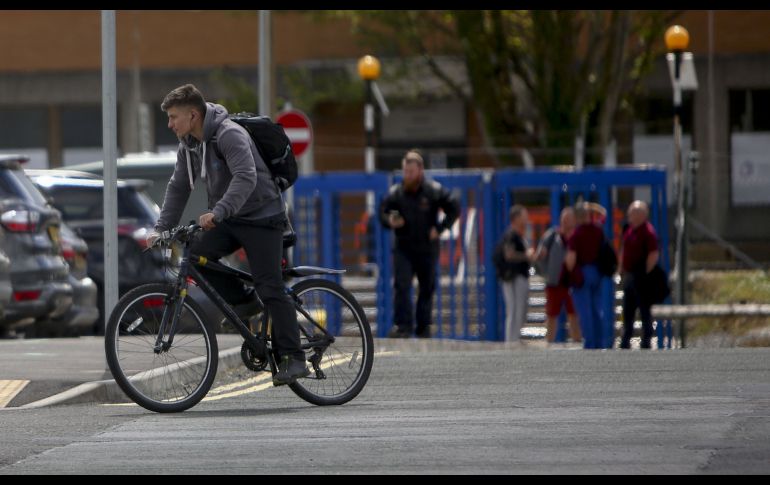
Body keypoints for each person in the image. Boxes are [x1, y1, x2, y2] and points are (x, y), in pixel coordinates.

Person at [146, 84, 309, 386]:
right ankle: (245, 302)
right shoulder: (189, 145)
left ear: (192, 115)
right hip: (232, 217)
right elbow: (179, 187)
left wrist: (218, 211)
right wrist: (160, 228)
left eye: (173, 117)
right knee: (196, 257)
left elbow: (246, 177)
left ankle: (294, 357)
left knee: (269, 285)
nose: (169, 124)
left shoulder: (228, 134)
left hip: (263, 216)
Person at [379, 150, 460, 338]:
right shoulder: (396, 192)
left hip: (427, 248)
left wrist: (440, 228)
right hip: (404, 248)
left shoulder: (433, 190)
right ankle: (403, 326)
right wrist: (390, 220)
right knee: (402, 285)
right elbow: (382, 212)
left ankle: (424, 328)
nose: (407, 175)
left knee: (426, 287)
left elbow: (454, 207)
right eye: (405, 171)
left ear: (420, 171)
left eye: (411, 172)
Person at [534, 207, 581, 344]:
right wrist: (546, 273)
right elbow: (539, 257)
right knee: (551, 314)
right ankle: (549, 342)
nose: (566, 222)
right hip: (554, 283)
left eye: (569, 219)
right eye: (564, 219)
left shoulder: (577, 236)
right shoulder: (551, 236)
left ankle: (577, 340)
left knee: (574, 314)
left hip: (573, 282)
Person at [565, 202, 609, 349]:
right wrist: (591, 206)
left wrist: (569, 271)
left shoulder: (576, 234)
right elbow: (604, 214)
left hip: (582, 274)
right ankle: (600, 342)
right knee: (597, 309)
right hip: (596, 271)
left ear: (576, 218)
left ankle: (589, 343)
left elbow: (571, 260)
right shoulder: (597, 230)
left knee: (584, 310)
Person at [619, 200, 660, 349]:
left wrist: (645, 272)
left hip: (642, 276)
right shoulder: (629, 230)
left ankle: (646, 342)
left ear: (641, 215)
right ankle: (625, 341)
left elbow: (653, 254)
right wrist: (621, 269)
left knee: (644, 310)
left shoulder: (648, 232)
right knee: (628, 310)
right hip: (629, 276)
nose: (629, 215)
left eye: (633, 213)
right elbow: (624, 250)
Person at [493, 205, 535, 344]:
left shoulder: (519, 236)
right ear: (516, 218)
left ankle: (515, 339)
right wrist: (526, 255)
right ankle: (512, 341)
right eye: (524, 215)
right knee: (515, 309)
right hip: (514, 278)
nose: (526, 218)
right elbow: (509, 255)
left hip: (519, 276)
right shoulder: (512, 235)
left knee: (520, 309)